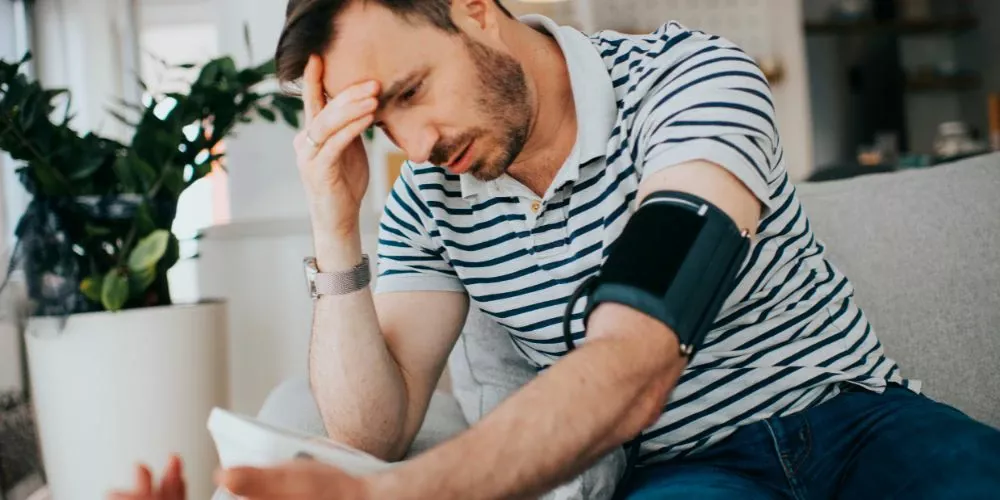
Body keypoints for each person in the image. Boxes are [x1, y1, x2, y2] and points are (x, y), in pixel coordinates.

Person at [113, 0, 1000, 498]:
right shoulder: (428, 197)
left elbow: (638, 356)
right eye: (381, 122)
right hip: (688, 472)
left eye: (412, 91)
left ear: (475, 9)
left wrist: (399, 498)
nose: (415, 144)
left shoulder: (689, 82)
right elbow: (371, 429)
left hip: (858, 421)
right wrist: (333, 223)